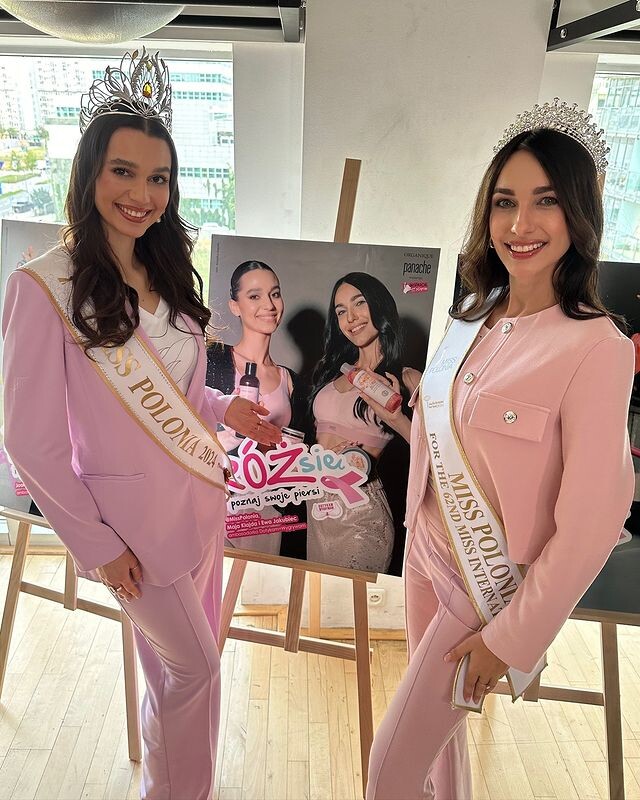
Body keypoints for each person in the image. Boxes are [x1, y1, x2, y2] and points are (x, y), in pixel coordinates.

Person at [1, 49, 280, 800]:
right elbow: (30, 442)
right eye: (123, 171)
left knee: (172, 675)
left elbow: (181, 393)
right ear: (90, 174)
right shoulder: (42, 288)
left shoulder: (164, 272)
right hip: (130, 532)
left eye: (158, 178)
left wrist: (224, 408)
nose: (142, 194)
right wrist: (96, 547)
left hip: (200, 504)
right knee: (197, 670)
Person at [366, 99, 635, 800]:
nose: (520, 225)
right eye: (505, 202)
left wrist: (508, 639)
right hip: (425, 550)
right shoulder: (472, 313)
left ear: (579, 215)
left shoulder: (597, 348)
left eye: (546, 201)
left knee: (388, 773)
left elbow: (593, 524)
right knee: (437, 757)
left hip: (480, 586)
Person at [307, 272, 420, 573]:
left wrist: (396, 418)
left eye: (359, 303)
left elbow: (435, 452)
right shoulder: (332, 371)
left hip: (361, 514)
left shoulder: (408, 379)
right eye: (341, 311)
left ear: (379, 305)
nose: (351, 318)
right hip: (318, 506)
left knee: (347, 601)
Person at [206, 260, 309, 556]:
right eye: (254, 296)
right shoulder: (212, 359)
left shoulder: (291, 380)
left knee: (259, 580)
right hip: (216, 501)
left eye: (275, 294)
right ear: (235, 306)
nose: (269, 305)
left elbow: (297, 451)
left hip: (265, 508)